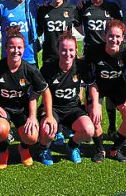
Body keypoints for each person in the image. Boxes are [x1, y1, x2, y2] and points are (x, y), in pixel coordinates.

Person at [0, 26, 56, 169]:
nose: (16, 51)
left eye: (19, 47)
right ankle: (3, 151)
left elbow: (45, 91)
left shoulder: (30, 69)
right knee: (0, 128)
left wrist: (46, 115)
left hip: (23, 110)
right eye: (12, 47)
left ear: (24, 49)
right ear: (5, 48)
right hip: (3, 109)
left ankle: (24, 148)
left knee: (32, 136)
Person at [38, 31, 98, 165]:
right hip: (52, 108)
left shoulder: (81, 66)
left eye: (71, 50)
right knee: (48, 129)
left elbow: (92, 85)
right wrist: (41, 115)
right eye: (63, 50)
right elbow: (38, 92)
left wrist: (95, 105)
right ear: (58, 50)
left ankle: (72, 145)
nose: (67, 54)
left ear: (76, 50)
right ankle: (44, 148)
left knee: (88, 130)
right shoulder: (48, 68)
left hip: (72, 108)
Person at [76, 0, 122, 144]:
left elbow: (118, 28)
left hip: (108, 55)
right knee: (92, 93)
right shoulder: (83, 7)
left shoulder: (111, 7)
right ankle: (92, 127)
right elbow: (78, 26)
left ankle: (111, 127)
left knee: (110, 91)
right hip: (90, 56)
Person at [85, 19, 126, 162]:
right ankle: (100, 149)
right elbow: (92, 81)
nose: (114, 39)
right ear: (105, 35)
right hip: (98, 88)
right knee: (94, 117)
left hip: (117, 87)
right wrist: (95, 104)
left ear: (123, 38)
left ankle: (115, 149)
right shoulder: (94, 51)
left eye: (118, 36)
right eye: (111, 36)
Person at [36, 0, 80, 64]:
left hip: (67, 57)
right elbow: (38, 32)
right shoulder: (43, 10)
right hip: (49, 57)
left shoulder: (72, 9)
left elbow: (82, 30)